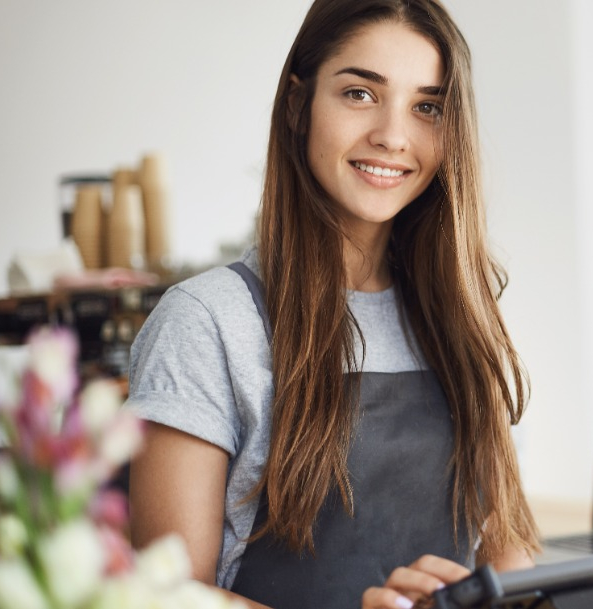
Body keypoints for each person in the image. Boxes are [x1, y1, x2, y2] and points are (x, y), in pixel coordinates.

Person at [124, 1, 539, 608]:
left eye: (428, 107)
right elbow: (165, 599)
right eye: (360, 94)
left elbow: (506, 551)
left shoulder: (465, 316)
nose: (393, 137)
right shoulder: (207, 321)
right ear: (298, 105)